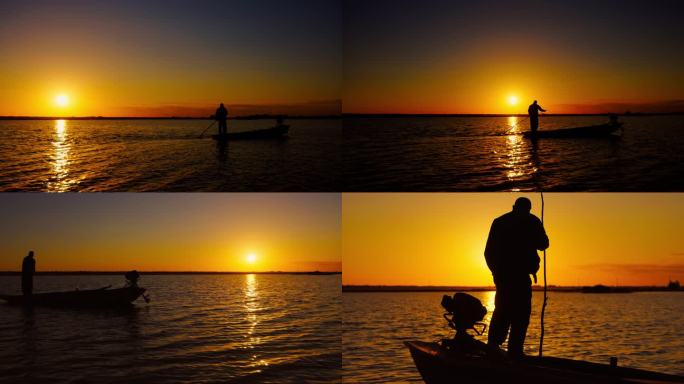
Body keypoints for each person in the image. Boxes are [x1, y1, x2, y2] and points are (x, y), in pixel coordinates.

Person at [484, 197, 549, 358]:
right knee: (520, 313)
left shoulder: (499, 222)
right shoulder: (532, 220)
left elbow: (488, 253)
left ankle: (494, 346)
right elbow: (544, 244)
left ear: (514, 206)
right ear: (528, 208)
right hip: (519, 276)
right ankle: (514, 350)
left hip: (504, 277)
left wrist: (496, 273)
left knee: (502, 310)